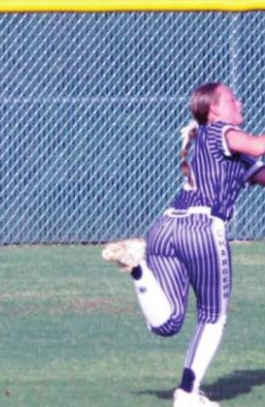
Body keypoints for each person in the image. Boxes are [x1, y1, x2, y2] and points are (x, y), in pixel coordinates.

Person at [102, 82, 265, 407]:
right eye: (232, 99)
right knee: (212, 316)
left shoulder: (216, 146)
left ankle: (138, 267)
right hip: (202, 227)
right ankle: (188, 394)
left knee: (167, 322)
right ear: (214, 110)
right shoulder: (220, 131)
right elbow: (259, 146)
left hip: (166, 227)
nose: (240, 102)